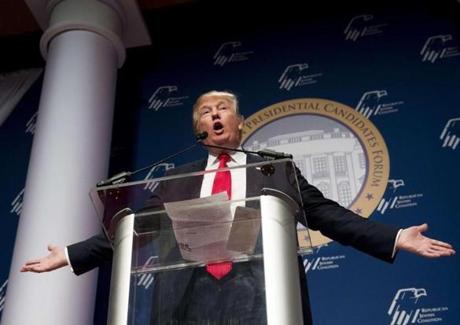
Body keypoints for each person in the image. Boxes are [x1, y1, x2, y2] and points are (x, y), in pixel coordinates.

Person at [21, 90, 455, 324]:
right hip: (189, 301)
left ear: (238, 122)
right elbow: (141, 229)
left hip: (261, 294)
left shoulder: (274, 169)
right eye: (206, 110)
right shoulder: (177, 181)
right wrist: (72, 253)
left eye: (223, 108)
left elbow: (325, 215)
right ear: (198, 127)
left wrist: (396, 236)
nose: (215, 114)